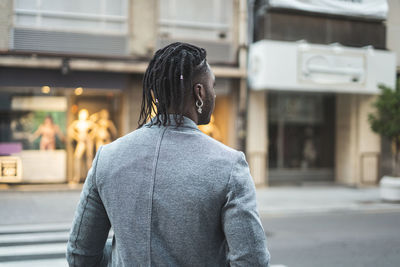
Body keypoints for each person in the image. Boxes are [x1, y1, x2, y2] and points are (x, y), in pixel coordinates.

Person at [67, 42, 270, 266]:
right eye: (212, 86)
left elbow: (80, 255)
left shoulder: (107, 157)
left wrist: (122, 254)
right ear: (200, 92)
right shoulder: (230, 166)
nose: (214, 93)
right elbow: (252, 261)